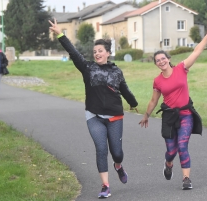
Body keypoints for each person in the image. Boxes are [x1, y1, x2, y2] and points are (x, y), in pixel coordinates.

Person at [49, 18, 138, 198]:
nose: (97, 53)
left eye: (100, 51)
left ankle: (118, 166)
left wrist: (133, 103)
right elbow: (73, 52)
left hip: (114, 117)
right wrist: (60, 34)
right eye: (94, 51)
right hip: (94, 116)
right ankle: (105, 185)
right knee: (101, 149)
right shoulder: (87, 68)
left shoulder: (116, 71)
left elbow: (124, 89)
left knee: (117, 153)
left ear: (108, 53)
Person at [139, 21, 207, 190]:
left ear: (168, 59)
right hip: (169, 117)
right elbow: (154, 100)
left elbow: (197, 51)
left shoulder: (182, 68)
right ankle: (168, 163)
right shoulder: (157, 81)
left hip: (185, 113)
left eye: (163, 58)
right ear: (156, 64)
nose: (161, 62)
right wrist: (146, 115)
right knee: (171, 151)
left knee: (182, 145)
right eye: (157, 60)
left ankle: (186, 179)